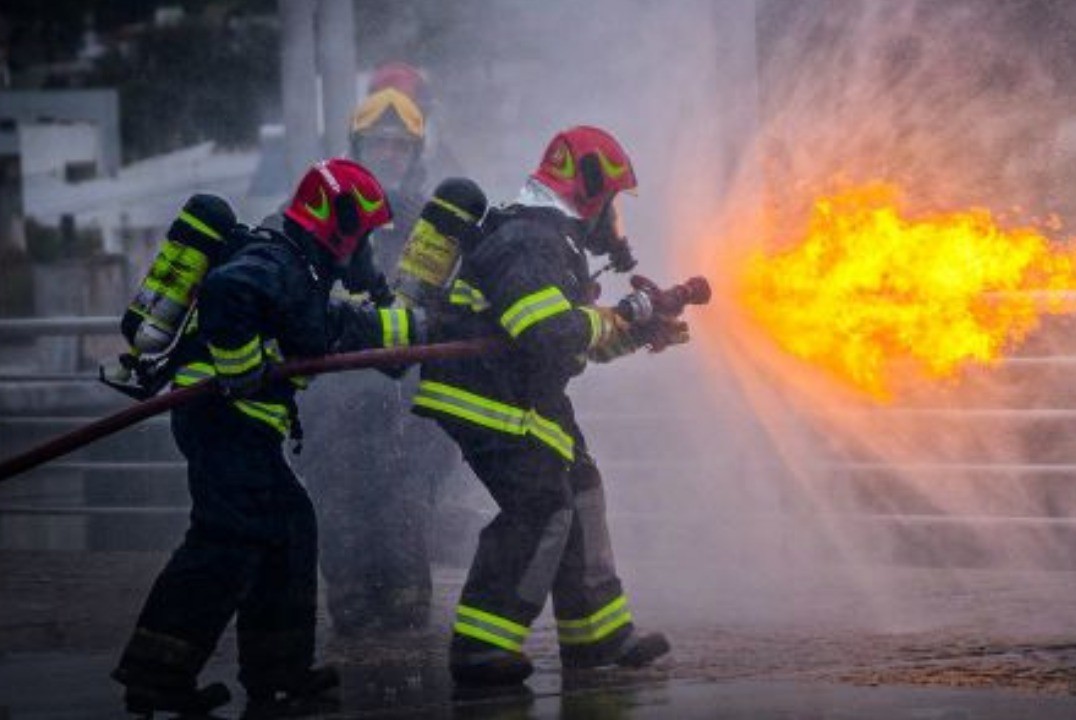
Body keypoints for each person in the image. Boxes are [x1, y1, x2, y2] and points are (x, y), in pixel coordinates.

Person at [111, 159, 422, 717]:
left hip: (234, 423)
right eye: (364, 238)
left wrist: (419, 326)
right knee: (228, 539)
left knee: (287, 530)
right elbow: (229, 294)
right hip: (221, 417)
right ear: (339, 226)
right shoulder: (279, 262)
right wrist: (240, 365)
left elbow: (332, 327)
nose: (366, 254)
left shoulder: (298, 263)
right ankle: (161, 670)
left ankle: (276, 678)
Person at [413, 125, 688, 685]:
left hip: (525, 395)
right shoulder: (527, 240)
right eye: (611, 202)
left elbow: (571, 337)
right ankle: (481, 646)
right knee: (539, 505)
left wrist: (639, 330)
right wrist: (627, 313)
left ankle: (596, 637)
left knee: (580, 489)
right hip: (486, 397)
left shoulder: (551, 243)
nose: (614, 220)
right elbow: (545, 334)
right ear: (588, 190)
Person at [296, 63, 467, 637]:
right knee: (339, 512)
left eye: (400, 145)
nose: (388, 154)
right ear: (357, 145)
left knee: (405, 511)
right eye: (378, 143)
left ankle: (406, 626)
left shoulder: (430, 223)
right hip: (332, 405)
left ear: (416, 153)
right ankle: (354, 625)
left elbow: (457, 301)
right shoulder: (320, 214)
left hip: (412, 409)